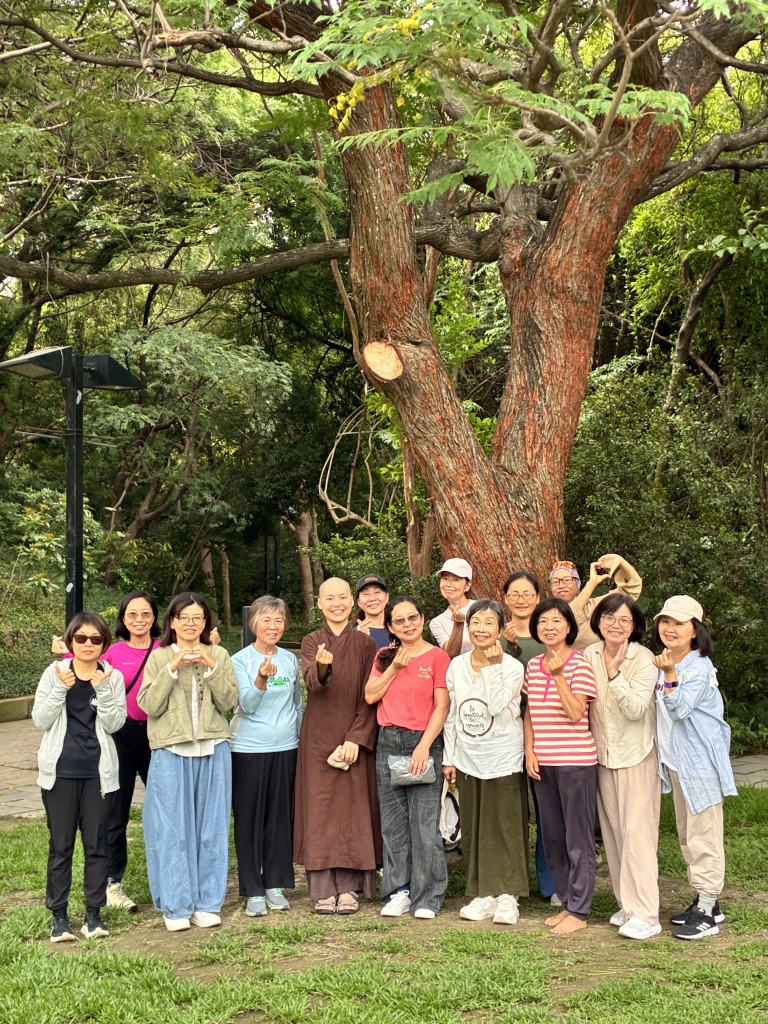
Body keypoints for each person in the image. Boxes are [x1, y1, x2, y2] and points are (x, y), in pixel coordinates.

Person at [137, 592, 238, 931]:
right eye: (185, 617)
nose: (191, 623)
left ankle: (207, 902)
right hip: (170, 749)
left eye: (198, 618)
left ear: (206, 622)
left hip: (214, 747)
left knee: (212, 828)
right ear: (173, 622)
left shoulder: (219, 655)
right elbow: (148, 705)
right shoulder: (158, 656)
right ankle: (176, 905)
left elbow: (229, 702)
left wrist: (212, 667)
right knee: (171, 829)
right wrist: (171, 668)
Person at [32, 612, 126, 942]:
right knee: (61, 846)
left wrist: (103, 691)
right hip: (60, 774)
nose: (88, 644)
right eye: (81, 638)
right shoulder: (54, 672)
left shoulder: (112, 676)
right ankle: (59, 916)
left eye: (95, 639)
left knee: (97, 845)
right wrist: (61, 687)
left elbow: (115, 723)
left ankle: (93, 915)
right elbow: (40, 720)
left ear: (104, 643)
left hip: (99, 775)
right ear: (70, 641)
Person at [652, 596, 737, 941]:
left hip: (699, 764)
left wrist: (670, 673)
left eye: (679, 623)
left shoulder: (697, 666)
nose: (670, 628)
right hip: (677, 762)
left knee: (704, 835)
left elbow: (679, 709)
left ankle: (708, 908)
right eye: (665, 621)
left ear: (695, 630)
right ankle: (706, 902)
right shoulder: (667, 660)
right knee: (688, 834)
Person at [296, 577, 381, 914]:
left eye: (342, 597)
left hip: (353, 734)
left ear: (352, 602)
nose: (336, 604)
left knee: (352, 809)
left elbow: (372, 695)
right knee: (320, 809)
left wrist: (356, 738)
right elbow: (312, 682)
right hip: (318, 736)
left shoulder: (365, 644)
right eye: (329, 598)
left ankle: (349, 887)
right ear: (319, 603)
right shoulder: (311, 641)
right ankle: (322, 889)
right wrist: (322, 666)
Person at [444, 600, 528, 926]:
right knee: (475, 826)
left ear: (501, 629)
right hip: (468, 757)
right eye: (475, 622)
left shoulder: (512, 667)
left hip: (504, 756)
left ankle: (509, 895)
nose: (481, 629)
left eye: (489, 623)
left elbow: (495, 705)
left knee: (506, 825)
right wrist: (450, 758)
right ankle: (483, 893)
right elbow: (452, 714)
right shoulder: (456, 665)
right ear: (468, 627)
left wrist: (493, 667)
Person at [365, 597, 450, 919]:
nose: (407, 625)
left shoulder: (438, 657)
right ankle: (399, 890)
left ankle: (428, 896)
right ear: (390, 627)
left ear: (422, 618)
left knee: (424, 823)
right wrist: (395, 668)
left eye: (412, 617)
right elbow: (370, 695)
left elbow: (442, 706)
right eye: (399, 621)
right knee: (394, 823)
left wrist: (424, 746)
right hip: (388, 741)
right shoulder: (384, 656)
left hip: (422, 741)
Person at [583, 594, 660, 940]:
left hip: (636, 754)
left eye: (624, 620)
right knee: (614, 834)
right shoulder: (589, 654)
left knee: (638, 835)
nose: (616, 625)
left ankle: (646, 914)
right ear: (598, 622)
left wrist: (615, 675)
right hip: (602, 755)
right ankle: (627, 904)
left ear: (634, 626)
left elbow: (636, 709)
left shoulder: (643, 659)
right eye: (609, 618)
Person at [524, 597, 598, 936]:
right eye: (543, 621)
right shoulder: (532, 665)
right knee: (552, 836)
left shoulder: (579, 664)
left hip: (575, 763)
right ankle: (567, 902)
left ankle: (580, 910)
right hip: (544, 763)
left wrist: (558, 677)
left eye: (556, 620)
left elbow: (575, 712)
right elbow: (529, 711)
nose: (549, 627)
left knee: (577, 838)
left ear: (569, 626)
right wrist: (529, 750)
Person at [231, 596, 302, 917]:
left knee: (278, 818)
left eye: (278, 620)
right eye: (266, 620)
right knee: (249, 820)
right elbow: (247, 704)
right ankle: (252, 889)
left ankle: (274, 884)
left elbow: (297, 704)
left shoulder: (289, 660)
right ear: (253, 624)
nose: (273, 626)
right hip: (248, 749)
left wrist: (299, 739)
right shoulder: (239, 660)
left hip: (286, 748)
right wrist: (260, 678)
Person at [500, 572, 557, 906]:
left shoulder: (548, 635)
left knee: (548, 810)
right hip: (506, 731)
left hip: (544, 731)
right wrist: (508, 646)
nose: (521, 599)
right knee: (510, 811)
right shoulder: (496, 635)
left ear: (538, 597)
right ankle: (512, 881)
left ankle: (551, 883)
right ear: (505, 598)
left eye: (527, 593)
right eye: (514, 594)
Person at [549, 555, 642, 649]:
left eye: (567, 580)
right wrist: (591, 584)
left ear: (577, 584)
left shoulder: (598, 606)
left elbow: (630, 591)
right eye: (555, 581)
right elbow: (565, 620)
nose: (561, 585)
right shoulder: (546, 615)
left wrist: (621, 562)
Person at [429, 558, 474, 658]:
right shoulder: (437, 623)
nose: (448, 584)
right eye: (445, 578)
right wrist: (458, 624)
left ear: (467, 585)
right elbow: (450, 654)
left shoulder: (482, 608)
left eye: (456, 580)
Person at [354, 575, 392, 649]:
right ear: (359, 602)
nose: (372, 598)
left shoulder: (399, 629)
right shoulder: (355, 635)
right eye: (366, 594)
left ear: (387, 597)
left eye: (377, 592)